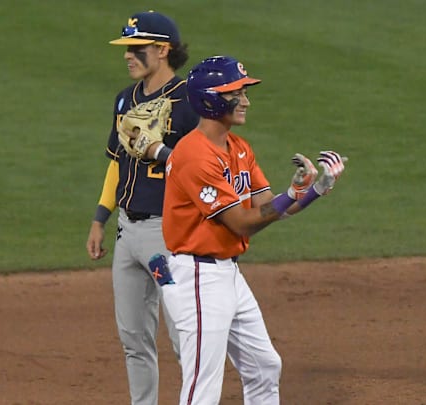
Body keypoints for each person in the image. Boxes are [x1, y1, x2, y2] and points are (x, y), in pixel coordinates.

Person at [154, 55, 347, 404]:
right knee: (203, 386)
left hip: (228, 274)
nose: (245, 100)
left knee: (264, 366)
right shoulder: (194, 154)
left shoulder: (239, 148)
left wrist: (315, 189)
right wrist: (292, 193)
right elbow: (243, 222)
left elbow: (269, 210)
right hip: (197, 277)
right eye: (236, 92)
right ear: (211, 98)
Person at [84, 10, 199, 405]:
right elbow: (118, 161)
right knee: (133, 338)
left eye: (136, 48)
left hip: (167, 237)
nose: (128, 55)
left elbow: (201, 167)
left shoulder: (188, 101)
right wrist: (101, 217)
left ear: (163, 50)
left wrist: (162, 150)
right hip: (127, 236)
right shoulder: (125, 99)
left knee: (184, 335)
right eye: (126, 48)